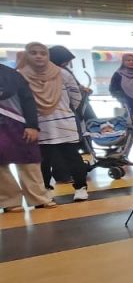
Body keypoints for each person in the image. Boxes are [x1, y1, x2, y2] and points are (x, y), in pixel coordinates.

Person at [18, 42, 90, 201]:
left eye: (42, 53)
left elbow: (76, 96)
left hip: (64, 124)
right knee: (42, 161)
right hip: (38, 126)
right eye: (33, 53)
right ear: (27, 55)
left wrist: (66, 111)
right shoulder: (21, 75)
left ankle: (81, 187)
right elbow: (19, 101)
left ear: (48, 55)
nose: (38, 56)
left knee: (72, 157)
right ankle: (45, 190)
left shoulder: (62, 73)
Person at [0, 63, 56, 212]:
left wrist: (32, 125)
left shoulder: (12, 74)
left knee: (30, 161)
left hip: (18, 124)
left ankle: (39, 198)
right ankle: (9, 201)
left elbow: (28, 100)